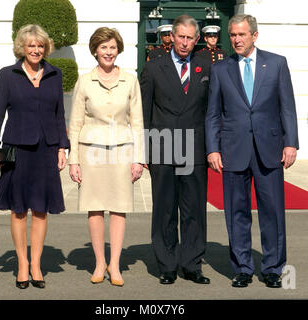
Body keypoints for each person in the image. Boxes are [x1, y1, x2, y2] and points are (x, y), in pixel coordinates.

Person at [205, 14, 299, 288]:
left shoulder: (277, 63)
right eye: (233, 35)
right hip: (233, 150)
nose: (236, 39)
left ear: (254, 36)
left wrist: (290, 142)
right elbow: (213, 113)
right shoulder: (221, 69)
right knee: (236, 213)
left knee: (272, 212)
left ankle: (272, 267)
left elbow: (287, 107)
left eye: (241, 35)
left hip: (269, 149)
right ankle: (242, 267)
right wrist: (213, 149)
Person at [0, 24, 69, 289]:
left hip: (46, 148)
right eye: (31, 45)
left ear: (46, 48)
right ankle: (22, 264)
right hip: (16, 149)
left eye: (40, 45)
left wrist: (62, 147)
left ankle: (36, 264)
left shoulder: (55, 74)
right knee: (19, 208)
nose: (35, 50)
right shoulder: (7, 75)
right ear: (22, 47)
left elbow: (59, 114)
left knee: (41, 209)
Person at [68, 27, 145, 287]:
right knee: (95, 206)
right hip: (91, 152)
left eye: (112, 47)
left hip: (122, 152)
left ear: (118, 49)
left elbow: (137, 122)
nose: (108, 52)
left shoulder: (130, 80)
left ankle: (115, 264)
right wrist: (73, 160)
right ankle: (100, 262)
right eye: (103, 47)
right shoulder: (84, 81)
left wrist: (138, 158)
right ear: (95, 51)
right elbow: (75, 122)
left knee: (120, 207)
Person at [140, 15, 211, 285]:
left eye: (189, 38)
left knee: (193, 209)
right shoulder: (154, 67)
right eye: (180, 36)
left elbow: (211, 109)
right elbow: (144, 113)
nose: (184, 42)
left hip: (194, 147)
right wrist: (144, 151)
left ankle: (192, 264)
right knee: (165, 209)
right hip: (163, 146)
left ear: (196, 40)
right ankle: (167, 264)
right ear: (171, 37)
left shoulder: (205, 66)